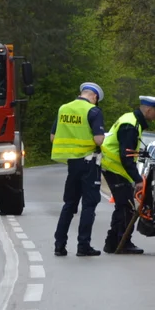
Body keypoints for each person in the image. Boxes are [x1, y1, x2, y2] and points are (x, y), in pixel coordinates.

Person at [100, 96, 155, 254]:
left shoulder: (132, 120)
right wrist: (137, 179)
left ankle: (113, 243)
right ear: (148, 110)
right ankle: (121, 242)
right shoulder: (130, 124)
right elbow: (125, 155)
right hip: (115, 168)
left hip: (116, 168)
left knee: (124, 206)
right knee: (126, 207)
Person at [50, 82, 107, 257]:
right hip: (89, 163)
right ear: (95, 98)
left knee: (69, 204)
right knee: (89, 204)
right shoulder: (93, 111)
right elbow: (98, 140)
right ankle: (83, 245)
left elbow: (53, 137)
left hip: (72, 165)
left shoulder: (63, 109)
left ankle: (59, 245)